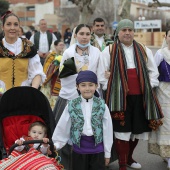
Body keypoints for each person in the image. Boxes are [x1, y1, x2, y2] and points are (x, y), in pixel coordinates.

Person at [98, 19, 163, 170]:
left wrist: (149, 86)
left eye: (130, 30)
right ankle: (122, 164)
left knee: (137, 130)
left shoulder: (144, 49)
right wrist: (113, 88)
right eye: (124, 30)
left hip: (141, 97)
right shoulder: (108, 50)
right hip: (119, 99)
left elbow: (154, 72)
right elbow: (101, 75)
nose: (127, 33)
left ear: (134, 32)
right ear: (118, 33)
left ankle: (129, 158)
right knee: (122, 131)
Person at [53, 24, 101, 170]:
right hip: (70, 97)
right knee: (66, 132)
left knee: (89, 132)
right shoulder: (68, 53)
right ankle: (65, 164)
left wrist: (92, 88)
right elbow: (64, 76)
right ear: (75, 35)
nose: (85, 37)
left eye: (88, 34)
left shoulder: (96, 52)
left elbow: (100, 74)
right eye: (82, 33)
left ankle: (89, 162)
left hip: (90, 96)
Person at [52, 70, 113, 170]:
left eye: (91, 85)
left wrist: (107, 153)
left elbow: (107, 130)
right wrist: (56, 144)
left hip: (97, 151)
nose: (87, 88)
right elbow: (63, 126)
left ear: (96, 86)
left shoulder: (102, 105)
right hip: (78, 151)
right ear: (77, 87)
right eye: (83, 85)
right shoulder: (71, 105)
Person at [0, 11, 46, 94]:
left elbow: (37, 73)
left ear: (19, 27)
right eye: (8, 24)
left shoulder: (28, 47)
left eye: (16, 24)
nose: (12, 27)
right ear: (2, 27)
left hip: (23, 96)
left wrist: (32, 92)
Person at [148, 28, 170, 170]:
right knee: (166, 124)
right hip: (163, 93)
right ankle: (168, 156)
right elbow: (153, 72)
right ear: (166, 37)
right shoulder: (161, 54)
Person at [41, 40, 65, 109]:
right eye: (60, 45)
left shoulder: (64, 55)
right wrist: (55, 64)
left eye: (63, 45)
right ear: (55, 46)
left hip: (60, 79)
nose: (62, 47)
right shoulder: (51, 55)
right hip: (51, 80)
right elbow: (47, 68)